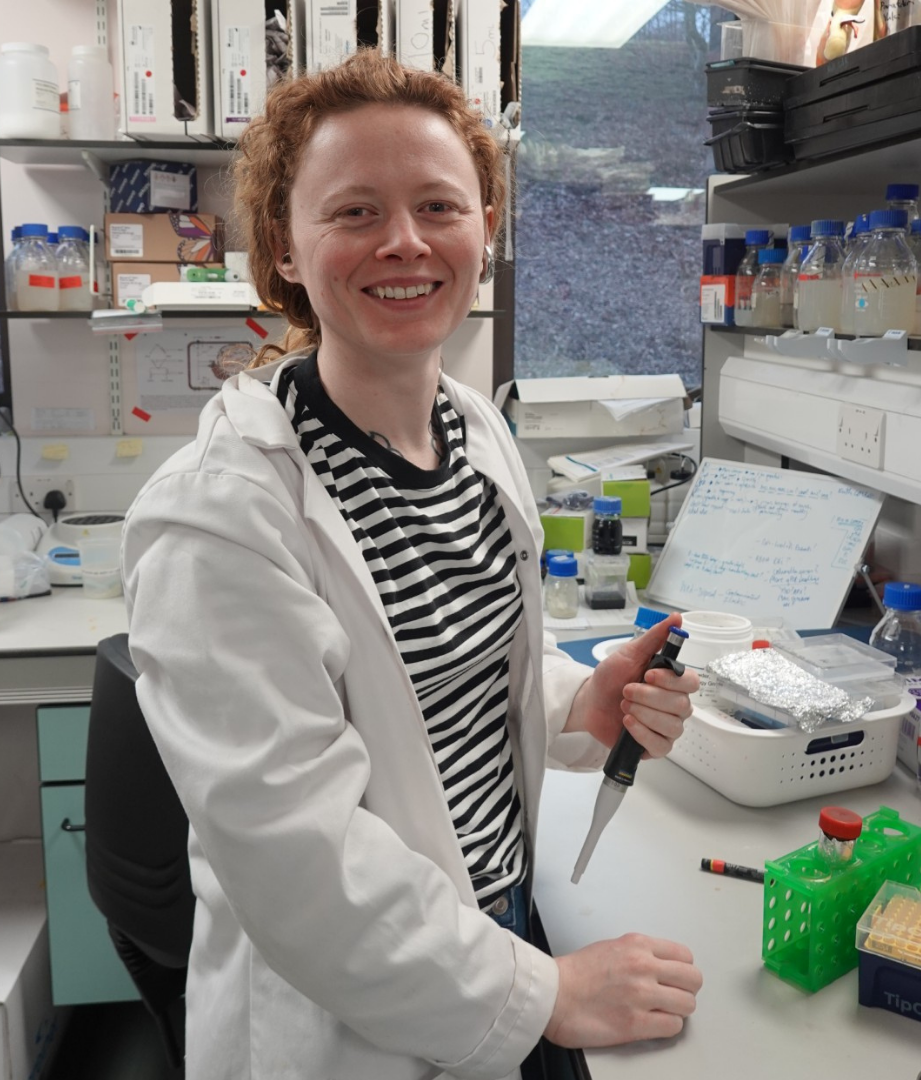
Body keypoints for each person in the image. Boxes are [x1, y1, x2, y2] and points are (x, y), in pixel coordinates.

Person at [120, 47, 704, 1080]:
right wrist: (548, 992)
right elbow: (304, 864)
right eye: (353, 212)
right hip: (359, 1016)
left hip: (505, 924)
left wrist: (582, 705)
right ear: (284, 249)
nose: (405, 242)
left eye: (441, 206)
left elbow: (446, 680)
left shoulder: (472, 430)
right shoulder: (220, 516)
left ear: (485, 230)